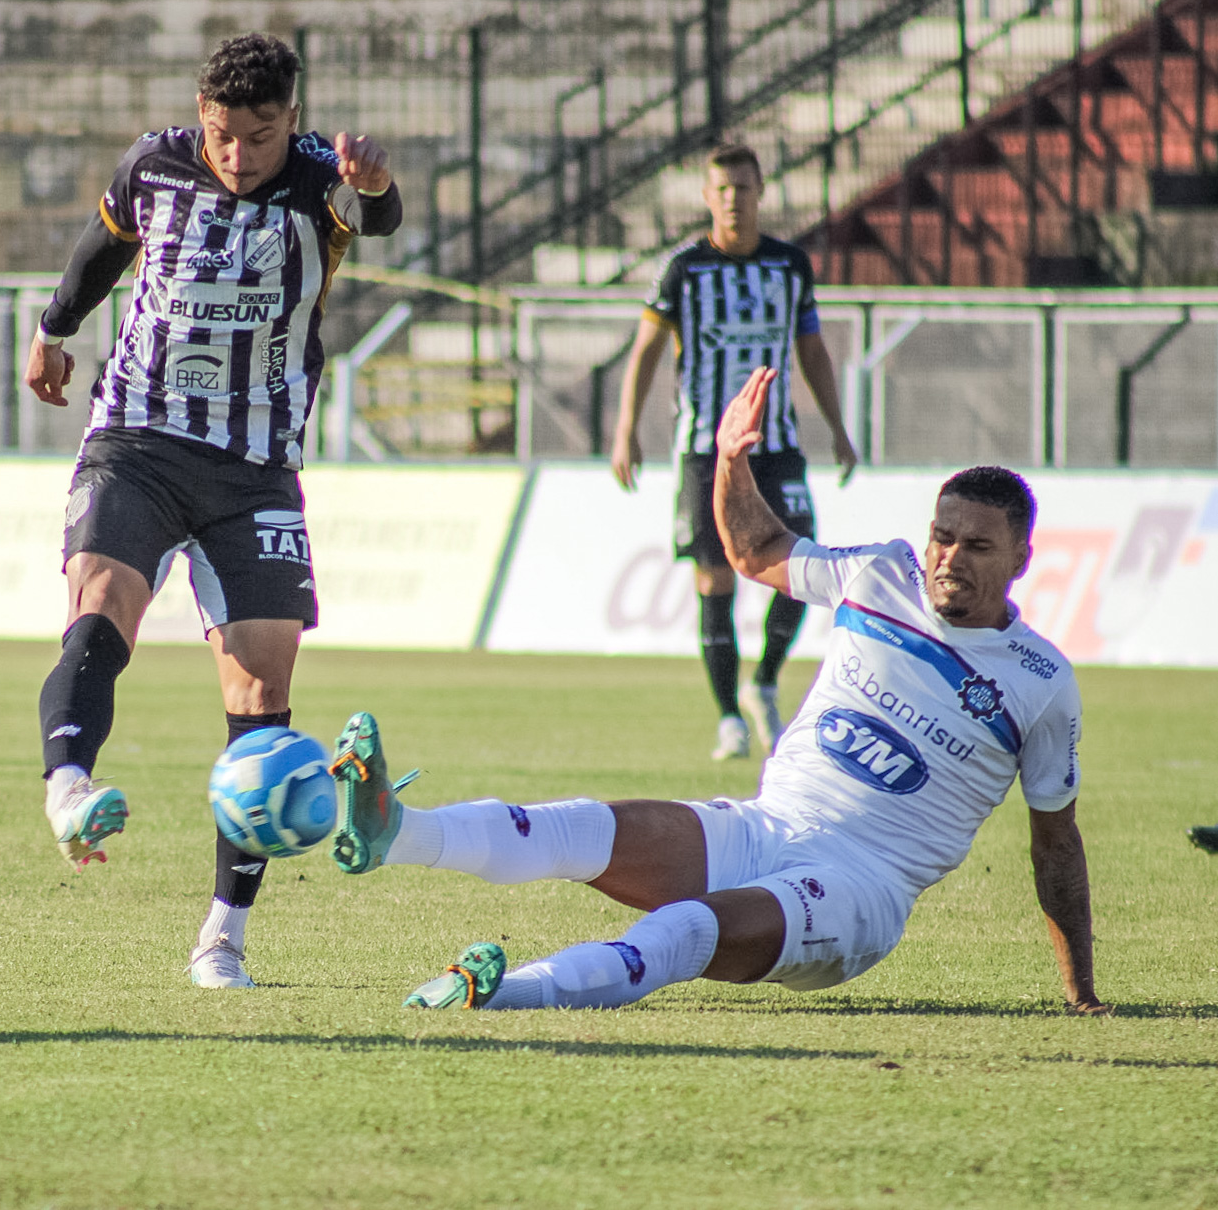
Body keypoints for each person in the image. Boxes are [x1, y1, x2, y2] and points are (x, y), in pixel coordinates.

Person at [327, 368, 1107, 1016]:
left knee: (686, 930)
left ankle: (497, 994)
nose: (948, 557)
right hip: (766, 826)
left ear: (1021, 556)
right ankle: (398, 831)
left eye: (975, 545)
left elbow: (1055, 843)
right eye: (942, 536)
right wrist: (732, 458)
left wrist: (1079, 993)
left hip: (861, 885)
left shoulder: (1037, 681)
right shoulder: (878, 575)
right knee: (576, 827)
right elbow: (757, 549)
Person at [22, 32, 402, 988]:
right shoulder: (153, 165)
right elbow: (104, 245)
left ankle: (222, 935)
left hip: (257, 467)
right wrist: (54, 329)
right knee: (100, 608)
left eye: (260, 136)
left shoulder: (321, 181)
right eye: (223, 135)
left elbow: (382, 220)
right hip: (139, 438)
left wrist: (379, 185)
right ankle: (68, 788)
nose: (238, 156)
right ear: (203, 119)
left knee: (261, 707)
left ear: (293, 122)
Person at [612, 143, 859, 763]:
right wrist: (625, 430)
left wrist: (838, 427)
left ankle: (765, 681)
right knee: (714, 574)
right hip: (705, 450)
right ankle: (728, 717)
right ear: (706, 196)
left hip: (777, 445)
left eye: (743, 188)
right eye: (721, 189)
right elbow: (644, 352)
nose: (733, 200)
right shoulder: (682, 270)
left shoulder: (790, 265)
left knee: (802, 567)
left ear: (760, 193)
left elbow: (812, 350)